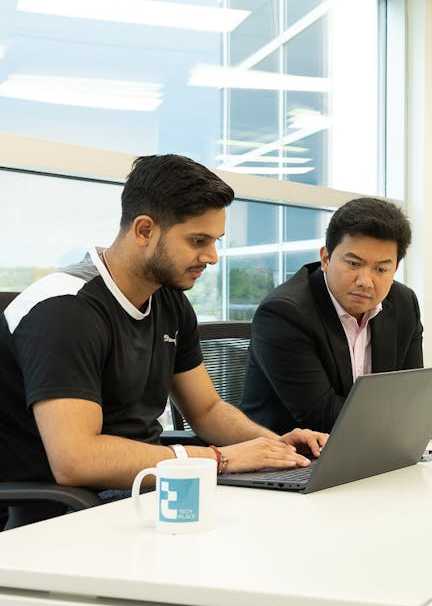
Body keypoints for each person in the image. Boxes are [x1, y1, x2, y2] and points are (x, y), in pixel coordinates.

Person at [0, 154, 326, 494]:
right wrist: (217, 458)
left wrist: (277, 449)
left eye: (216, 241)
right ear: (144, 230)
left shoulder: (169, 300)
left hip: (146, 488)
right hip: (66, 509)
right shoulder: (65, 309)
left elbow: (206, 410)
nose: (212, 256)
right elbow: (76, 460)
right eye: (198, 241)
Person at [241, 197, 432, 437]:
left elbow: (409, 393)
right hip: (287, 461)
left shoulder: (403, 303)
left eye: (381, 269)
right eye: (353, 263)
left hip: (372, 454)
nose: (365, 281)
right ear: (326, 258)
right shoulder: (284, 313)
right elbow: (323, 418)